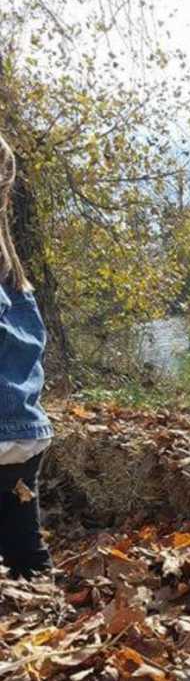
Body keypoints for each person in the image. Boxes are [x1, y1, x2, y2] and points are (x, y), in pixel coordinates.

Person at [0, 132, 54, 580]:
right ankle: (47, 617)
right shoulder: (14, 278)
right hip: (21, 436)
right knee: (25, 550)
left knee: (24, 550)